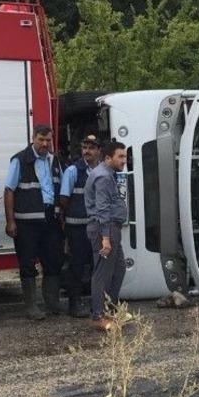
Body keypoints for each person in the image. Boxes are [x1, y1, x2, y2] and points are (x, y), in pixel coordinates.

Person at [4, 124, 63, 320]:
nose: (45, 143)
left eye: (48, 140)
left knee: (53, 261)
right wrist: (10, 221)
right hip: (26, 222)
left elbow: (61, 189)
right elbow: (9, 191)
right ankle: (31, 306)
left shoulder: (55, 160)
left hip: (50, 219)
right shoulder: (20, 159)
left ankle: (52, 303)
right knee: (28, 263)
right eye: (41, 139)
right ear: (33, 138)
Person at [84, 141, 129, 328]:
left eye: (125, 156)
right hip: (106, 229)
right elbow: (102, 209)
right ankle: (98, 316)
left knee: (119, 269)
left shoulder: (107, 174)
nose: (124, 160)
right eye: (120, 156)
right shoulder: (103, 177)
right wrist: (105, 238)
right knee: (102, 273)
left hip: (111, 229)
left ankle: (111, 311)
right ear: (108, 158)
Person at [59, 135, 100, 318]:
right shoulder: (73, 170)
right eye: (84, 147)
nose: (87, 151)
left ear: (99, 150)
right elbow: (64, 199)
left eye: (91, 147)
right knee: (76, 266)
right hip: (77, 227)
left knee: (96, 265)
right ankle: (74, 305)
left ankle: (96, 303)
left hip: (97, 226)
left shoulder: (102, 170)